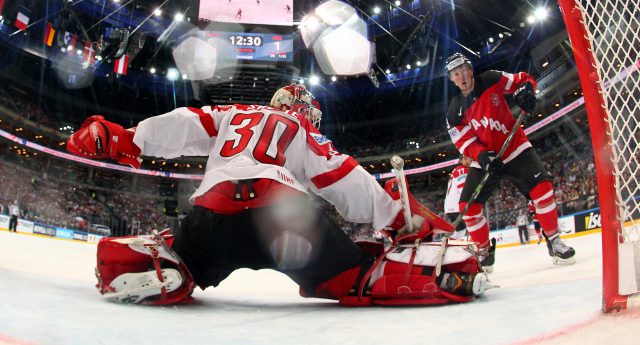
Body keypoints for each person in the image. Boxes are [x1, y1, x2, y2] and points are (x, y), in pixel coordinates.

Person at [66, 84, 484, 306]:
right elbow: (340, 175)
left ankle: (158, 264)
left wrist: (126, 138)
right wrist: (393, 216)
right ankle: (441, 275)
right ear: (303, 109)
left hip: (213, 216)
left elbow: (183, 123)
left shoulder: (232, 114)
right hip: (284, 222)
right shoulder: (298, 127)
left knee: (181, 256)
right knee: (354, 276)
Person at [445, 53, 575, 268]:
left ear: (470, 69)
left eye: (464, 70)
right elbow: (463, 142)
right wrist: (482, 156)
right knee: (468, 208)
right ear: (453, 79)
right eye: (456, 74)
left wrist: (526, 90)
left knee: (542, 189)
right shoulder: (454, 110)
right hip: (486, 159)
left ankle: (554, 241)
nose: (462, 77)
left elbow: (523, 79)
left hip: (515, 148)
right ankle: (484, 252)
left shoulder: (491, 79)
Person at [444, 155, 472, 240]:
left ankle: (448, 245)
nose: (468, 161)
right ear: (460, 160)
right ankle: (446, 245)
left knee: (461, 230)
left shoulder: (458, 169)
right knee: (466, 228)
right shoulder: (462, 170)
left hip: (451, 207)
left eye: (469, 159)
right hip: (456, 207)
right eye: (465, 159)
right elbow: (463, 190)